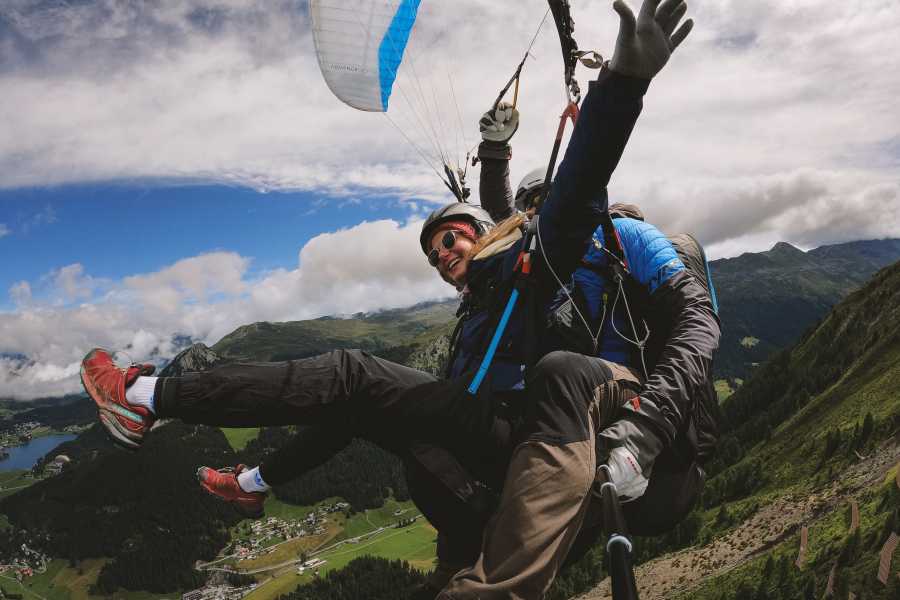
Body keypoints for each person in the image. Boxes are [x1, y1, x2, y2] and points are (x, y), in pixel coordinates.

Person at [80, 2, 708, 597]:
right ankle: (252, 481)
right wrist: (493, 152)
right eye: (434, 253)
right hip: (488, 446)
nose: (442, 257)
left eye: (451, 241)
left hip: (560, 428)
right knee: (357, 394)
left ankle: (146, 396)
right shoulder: (503, 275)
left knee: (373, 374)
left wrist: (623, 82)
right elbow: (501, 216)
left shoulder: (572, 245)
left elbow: (573, 193)